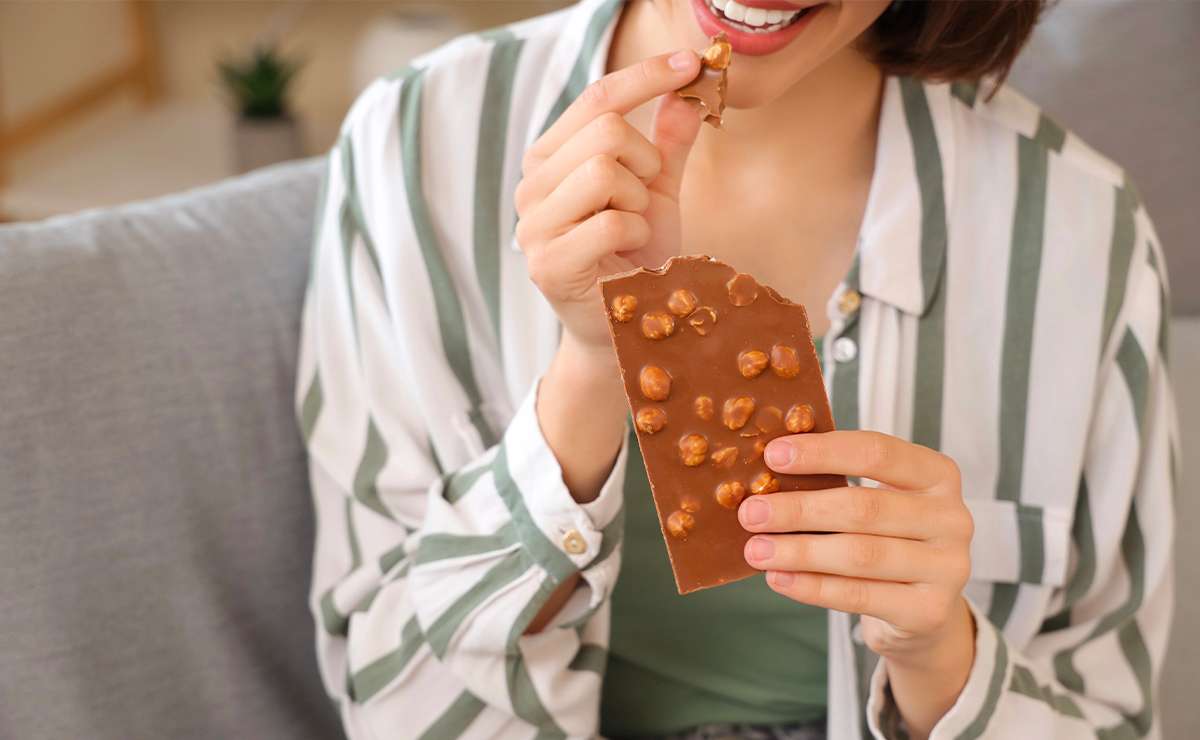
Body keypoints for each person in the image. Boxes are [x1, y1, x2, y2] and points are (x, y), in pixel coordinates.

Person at [295, 0, 1176, 737]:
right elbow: (393, 702)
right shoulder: (413, 147)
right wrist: (592, 366)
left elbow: (1110, 712)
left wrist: (942, 661)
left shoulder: (1082, 230)